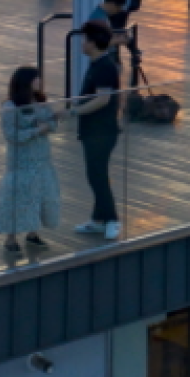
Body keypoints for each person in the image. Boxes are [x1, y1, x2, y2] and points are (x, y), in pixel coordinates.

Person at [0, 65, 62, 253]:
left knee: (38, 194)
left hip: (42, 159)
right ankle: (10, 239)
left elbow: (53, 123)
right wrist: (37, 130)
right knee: (17, 197)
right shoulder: (11, 107)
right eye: (36, 78)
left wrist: (47, 125)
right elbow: (11, 135)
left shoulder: (41, 102)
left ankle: (33, 233)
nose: (40, 81)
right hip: (21, 162)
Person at [66, 21, 123, 241]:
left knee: (98, 175)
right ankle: (99, 219)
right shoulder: (96, 63)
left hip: (102, 131)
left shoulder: (104, 67)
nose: (81, 43)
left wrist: (73, 112)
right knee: (94, 175)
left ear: (92, 42)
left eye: (84, 39)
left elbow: (102, 100)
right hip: (92, 130)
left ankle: (111, 220)